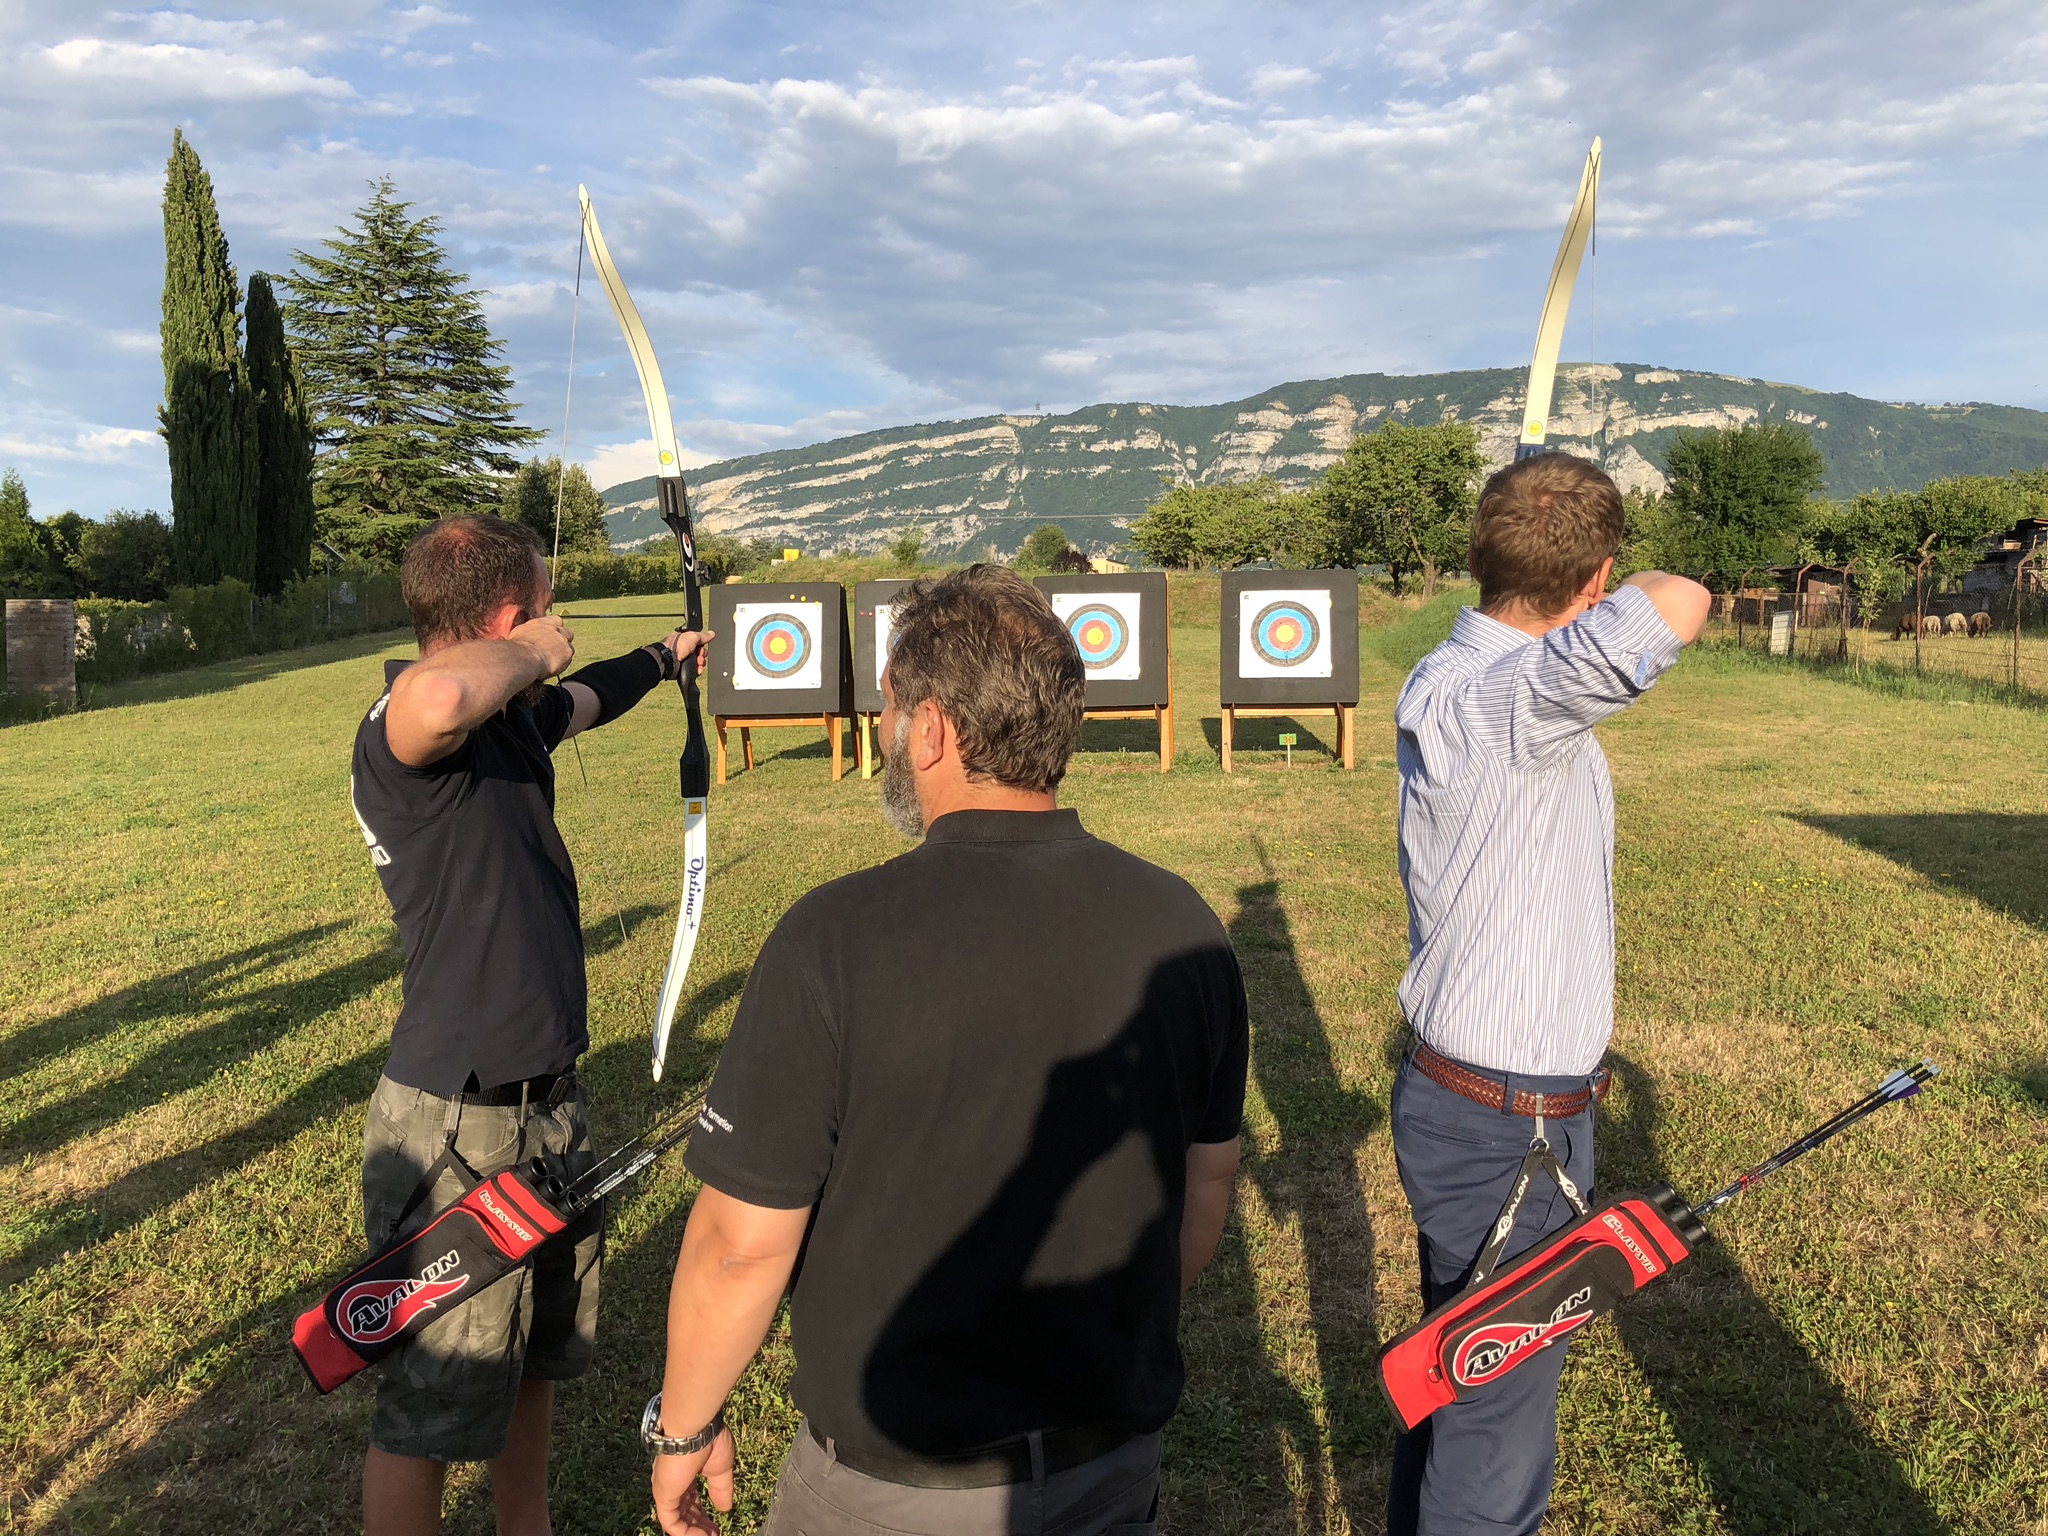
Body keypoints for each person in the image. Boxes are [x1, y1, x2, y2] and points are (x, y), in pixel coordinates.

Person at [641, 564, 1249, 1536]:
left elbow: (739, 1248)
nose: (886, 732)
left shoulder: (833, 937)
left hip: (892, 1490)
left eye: (890, 708)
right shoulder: (1184, 925)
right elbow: (1205, 1185)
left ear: (930, 729)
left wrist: (683, 1425)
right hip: (1107, 1464)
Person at [349, 513, 711, 1536]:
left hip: (547, 1102)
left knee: (534, 1358)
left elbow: (588, 697)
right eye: (549, 607)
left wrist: (663, 657)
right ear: (510, 618)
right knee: (428, 1403)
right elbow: (440, 695)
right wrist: (537, 648)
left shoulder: (508, 723)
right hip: (455, 1121)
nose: (561, 626)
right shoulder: (406, 733)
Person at [1386, 454, 1711, 1536]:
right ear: (1597, 578)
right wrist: (1583, 574)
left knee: (1454, 1379)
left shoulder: (1464, 678)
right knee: (1496, 1438)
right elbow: (1679, 600)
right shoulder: (1509, 703)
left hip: (1482, 1108)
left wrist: (1554, 561)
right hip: (1506, 1128)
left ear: (1478, 554)